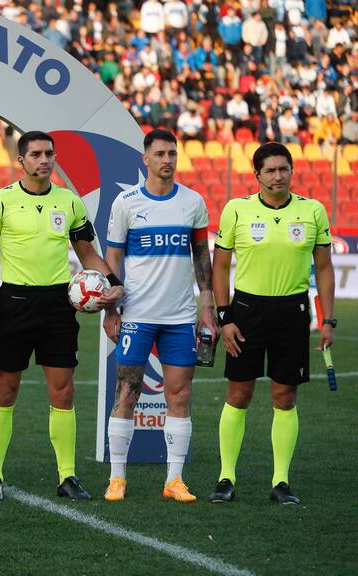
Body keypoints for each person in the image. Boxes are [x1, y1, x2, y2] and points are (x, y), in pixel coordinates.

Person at [0, 131, 123, 502]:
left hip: (59, 305)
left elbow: (87, 253)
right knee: (5, 389)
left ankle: (67, 476)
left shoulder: (69, 202)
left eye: (49, 154)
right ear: (20, 161)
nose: (44, 160)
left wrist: (113, 284)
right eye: (36, 154)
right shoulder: (0, 203)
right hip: (15, 303)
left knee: (64, 391)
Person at [209, 142, 335, 505]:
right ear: (257, 175)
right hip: (246, 311)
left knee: (284, 396)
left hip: (292, 314)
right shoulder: (237, 210)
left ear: (292, 171)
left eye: (284, 169)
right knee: (239, 394)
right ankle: (226, 478)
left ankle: (280, 482)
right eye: (271, 170)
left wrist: (328, 320)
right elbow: (220, 267)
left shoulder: (313, 211)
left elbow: (324, 269)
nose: (278, 176)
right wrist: (224, 317)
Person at [102, 130, 217, 503]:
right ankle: (117, 478)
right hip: (137, 314)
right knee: (127, 391)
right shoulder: (126, 203)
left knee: (179, 394)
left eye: (173, 153)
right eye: (160, 154)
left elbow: (201, 255)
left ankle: (174, 480)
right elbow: (113, 259)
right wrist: (110, 308)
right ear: (145, 159)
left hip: (181, 317)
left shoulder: (192, 202)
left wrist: (207, 303)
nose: (168, 160)